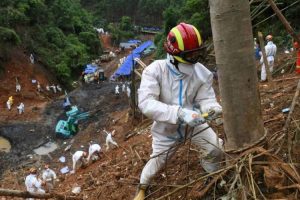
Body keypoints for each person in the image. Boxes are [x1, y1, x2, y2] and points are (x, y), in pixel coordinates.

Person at [133, 22, 223, 200]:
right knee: (156, 162)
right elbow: (146, 103)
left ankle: (211, 177)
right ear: (173, 55)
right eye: (190, 54)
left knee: (216, 148)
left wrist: (210, 108)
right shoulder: (155, 71)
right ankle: (142, 187)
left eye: (197, 52)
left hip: (195, 124)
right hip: (166, 130)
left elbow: (205, 98)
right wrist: (180, 113)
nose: (195, 57)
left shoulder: (202, 73)